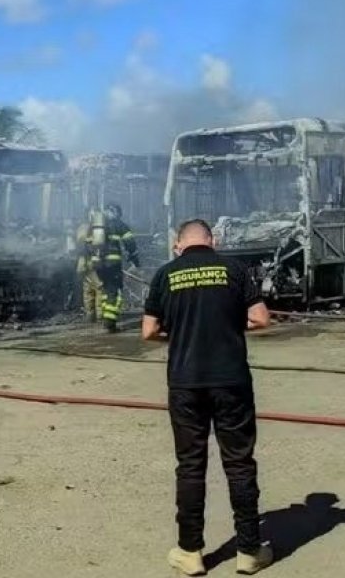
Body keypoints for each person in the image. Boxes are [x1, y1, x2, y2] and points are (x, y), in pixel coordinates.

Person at [141, 218, 274, 576]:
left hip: (186, 383)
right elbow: (261, 320)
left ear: (177, 244)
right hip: (231, 381)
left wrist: (178, 335)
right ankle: (249, 552)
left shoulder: (166, 274)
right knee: (239, 462)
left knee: (190, 465)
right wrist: (231, 325)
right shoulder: (234, 269)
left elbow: (149, 331)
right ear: (212, 241)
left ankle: (190, 552)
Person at [90, 202, 139, 333]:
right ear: (116, 212)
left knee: (106, 291)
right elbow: (130, 244)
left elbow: (87, 245)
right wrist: (135, 261)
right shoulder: (118, 224)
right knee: (114, 292)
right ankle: (110, 324)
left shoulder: (95, 226)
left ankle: (106, 318)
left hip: (98, 265)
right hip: (112, 265)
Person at [74, 211, 103, 323]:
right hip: (93, 263)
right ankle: (100, 316)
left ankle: (90, 315)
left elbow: (79, 244)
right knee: (99, 288)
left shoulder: (81, 228)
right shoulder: (95, 229)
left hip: (83, 264)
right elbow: (96, 245)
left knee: (88, 290)